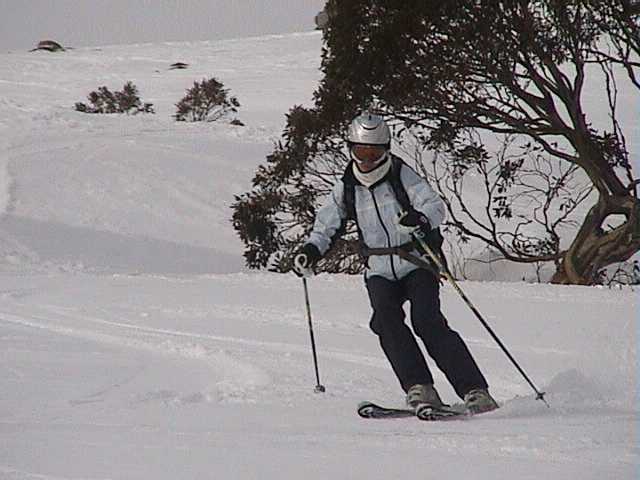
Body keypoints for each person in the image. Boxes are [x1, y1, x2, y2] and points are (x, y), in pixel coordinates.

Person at [292, 112, 498, 414]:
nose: (367, 160)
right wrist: (311, 250)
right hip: (378, 269)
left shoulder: (402, 175)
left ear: (386, 150)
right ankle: (420, 388)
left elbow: (433, 205)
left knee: (427, 322)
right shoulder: (347, 186)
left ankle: (475, 391)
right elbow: (327, 225)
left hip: (416, 263)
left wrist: (421, 219)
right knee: (385, 322)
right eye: (360, 152)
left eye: (374, 153)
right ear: (351, 149)